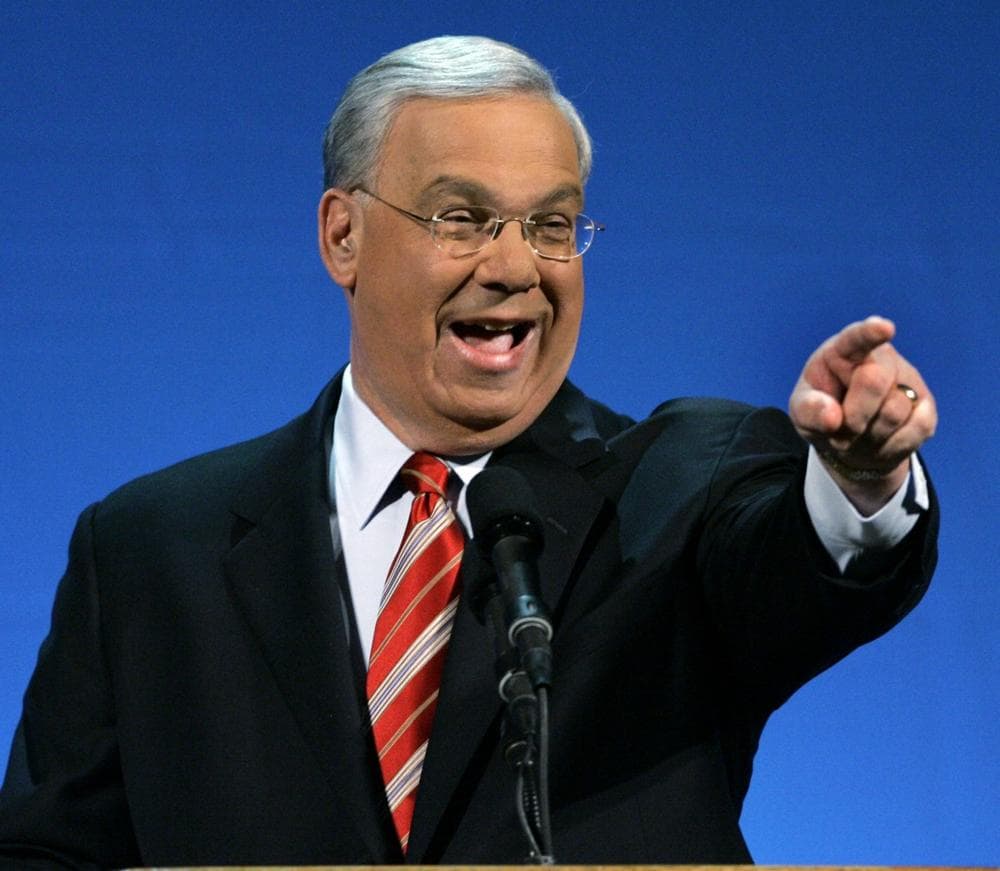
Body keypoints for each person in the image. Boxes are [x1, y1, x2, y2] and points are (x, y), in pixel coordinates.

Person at [0, 35, 938, 868]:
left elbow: (795, 563)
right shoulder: (148, 549)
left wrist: (859, 476)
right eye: (463, 219)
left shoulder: (678, 483)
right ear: (343, 235)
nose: (516, 266)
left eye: (553, 224)